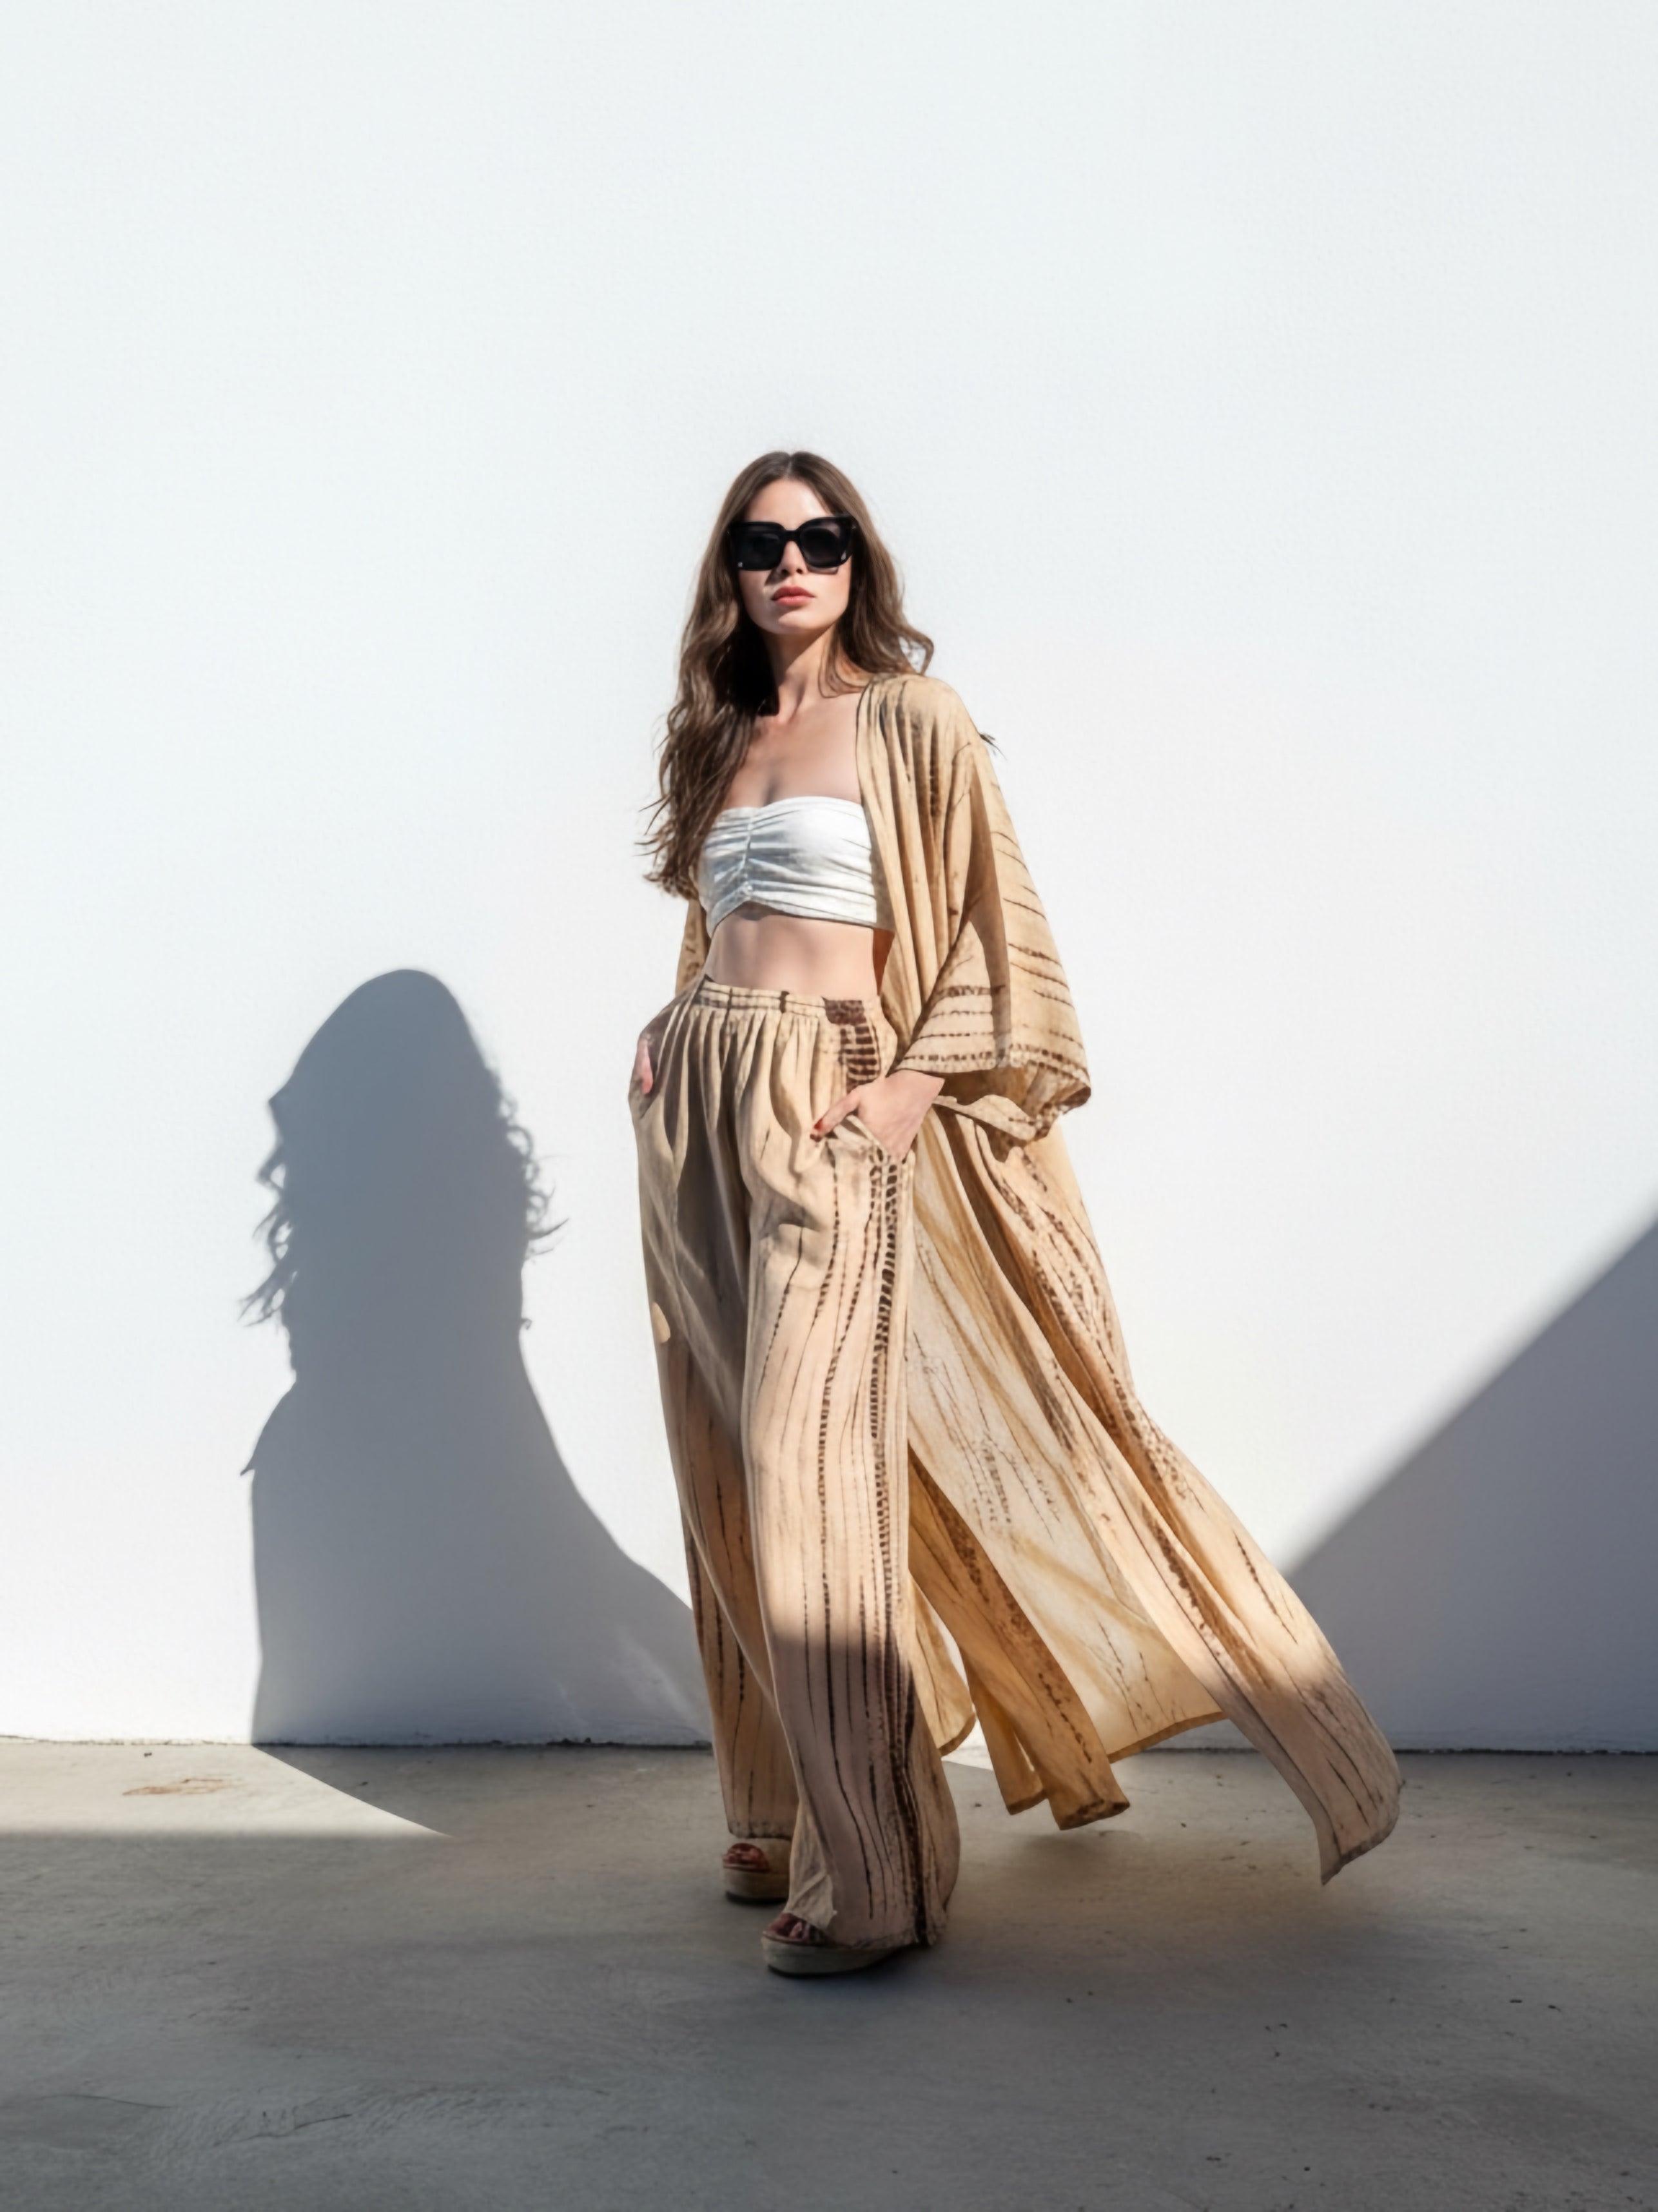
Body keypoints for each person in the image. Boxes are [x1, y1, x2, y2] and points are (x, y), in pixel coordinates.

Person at [630, 451, 1399, 1977]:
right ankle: (784, 1801)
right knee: (723, 1461)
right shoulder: (721, 732)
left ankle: (887, 1872)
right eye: (760, 543)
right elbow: (721, 919)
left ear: (861, 561)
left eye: (821, 539)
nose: (792, 563)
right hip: (694, 1118)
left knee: (808, 1477)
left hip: (831, 1104)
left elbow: (994, 926)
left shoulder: (911, 719)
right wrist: (669, 1027)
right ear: (726, 571)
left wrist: (913, 1085)